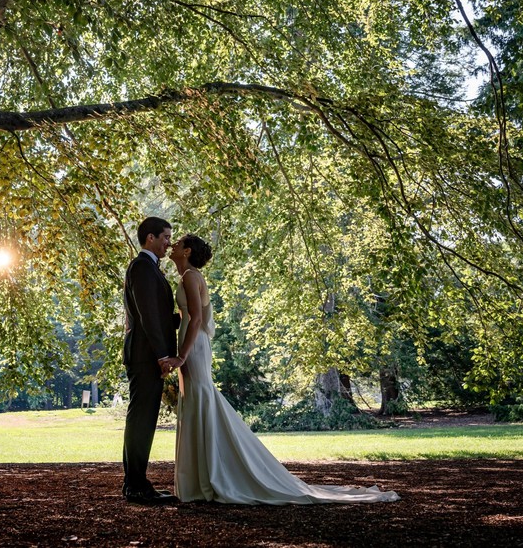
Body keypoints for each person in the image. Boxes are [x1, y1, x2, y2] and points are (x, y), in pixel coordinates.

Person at [165, 234, 400, 505]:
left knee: (201, 396)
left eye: (178, 243)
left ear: (187, 251)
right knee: (195, 400)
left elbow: (195, 319)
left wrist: (182, 355)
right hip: (190, 343)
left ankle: (214, 475)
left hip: (193, 347)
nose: (172, 246)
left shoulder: (191, 278)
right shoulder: (186, 277)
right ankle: (200, 477)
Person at [121, 216, 180, 504]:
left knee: (144, 419)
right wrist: (162, 355)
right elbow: (147, 316)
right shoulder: (142, 268)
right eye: (166, 237)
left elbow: (159, 316)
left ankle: (135, 483)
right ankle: (135, 486)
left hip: (147, 355)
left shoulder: (150, 269)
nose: (169, 243)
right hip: (146, 356)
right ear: (150, 238)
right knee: (141, 420)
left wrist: (191, 318)